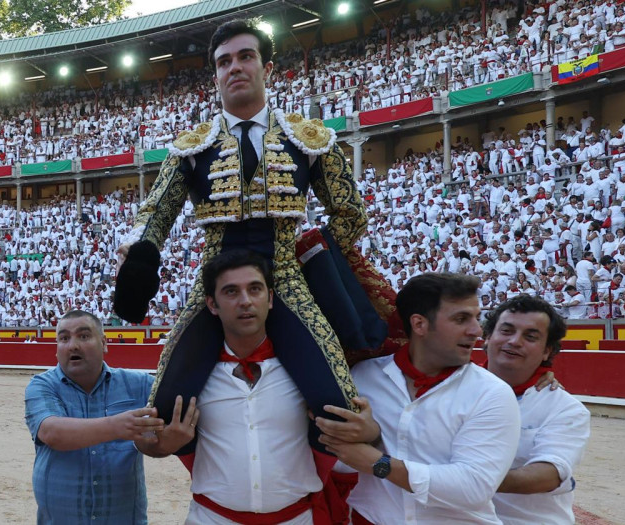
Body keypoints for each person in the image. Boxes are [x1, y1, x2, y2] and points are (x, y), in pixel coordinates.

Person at [113, 19, 395, 453]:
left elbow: (350, 213)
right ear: (216, 75)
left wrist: (312, 257)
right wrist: (142, 254)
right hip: (214, 283)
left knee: (336, 402)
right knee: (166, 404)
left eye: (245, 57)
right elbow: (156, 212)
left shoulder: (309, 139)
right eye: (224, 61)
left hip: (283, 274)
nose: (235, 67)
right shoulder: (191, 146)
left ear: (268, 67)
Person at [138, 251, 377, 524]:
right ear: (212, 304)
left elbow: (358, 434)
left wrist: (372, 431)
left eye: (255, 289)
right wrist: (160, 446)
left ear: (270, 298)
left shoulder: (307, 374)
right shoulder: (195, 376)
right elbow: (146, 439)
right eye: (231, 291)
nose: (245, 301)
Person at [320, 273, 520, 524]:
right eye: (461, 319)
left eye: (476, 318)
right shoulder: (363, 376)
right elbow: (341, 463)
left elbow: (473, 489)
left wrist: (378, 463)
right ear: (419, 324)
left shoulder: (492, 393)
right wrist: (368, 438)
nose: (476, 330)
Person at [24, 310, 177, 524]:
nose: (73, 345)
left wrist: (162, 444)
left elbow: (163, 439)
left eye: (84, 336)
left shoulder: (141, 385)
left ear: (104, 343)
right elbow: (52, 432)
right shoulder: (42, 385)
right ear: (57, 349)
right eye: (64, 338)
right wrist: (117, 426)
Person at [483, 295, 590, 525]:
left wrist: (465, 479)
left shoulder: (565, 409)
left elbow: (548, 474)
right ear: (487, 337)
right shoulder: (447, 388)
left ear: (546, 352)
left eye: (530, 337)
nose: (514, 341)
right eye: (506, 330)